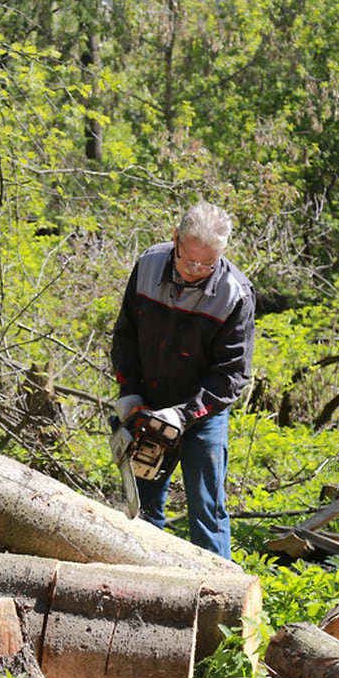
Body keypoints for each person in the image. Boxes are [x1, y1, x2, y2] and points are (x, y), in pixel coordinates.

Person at [110, 201, 256, 558]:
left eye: (207, 263)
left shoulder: (235, 294)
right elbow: (126, 334)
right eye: (189, 260)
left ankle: (222, 595)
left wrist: (185, 414)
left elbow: (232, 374)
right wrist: (129, 391)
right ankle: (146, 582)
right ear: (175, 239)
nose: (196, 270)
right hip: (150, 400)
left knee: (206, 509)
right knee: (143, 505)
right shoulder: (148, 265)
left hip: (202, 411)